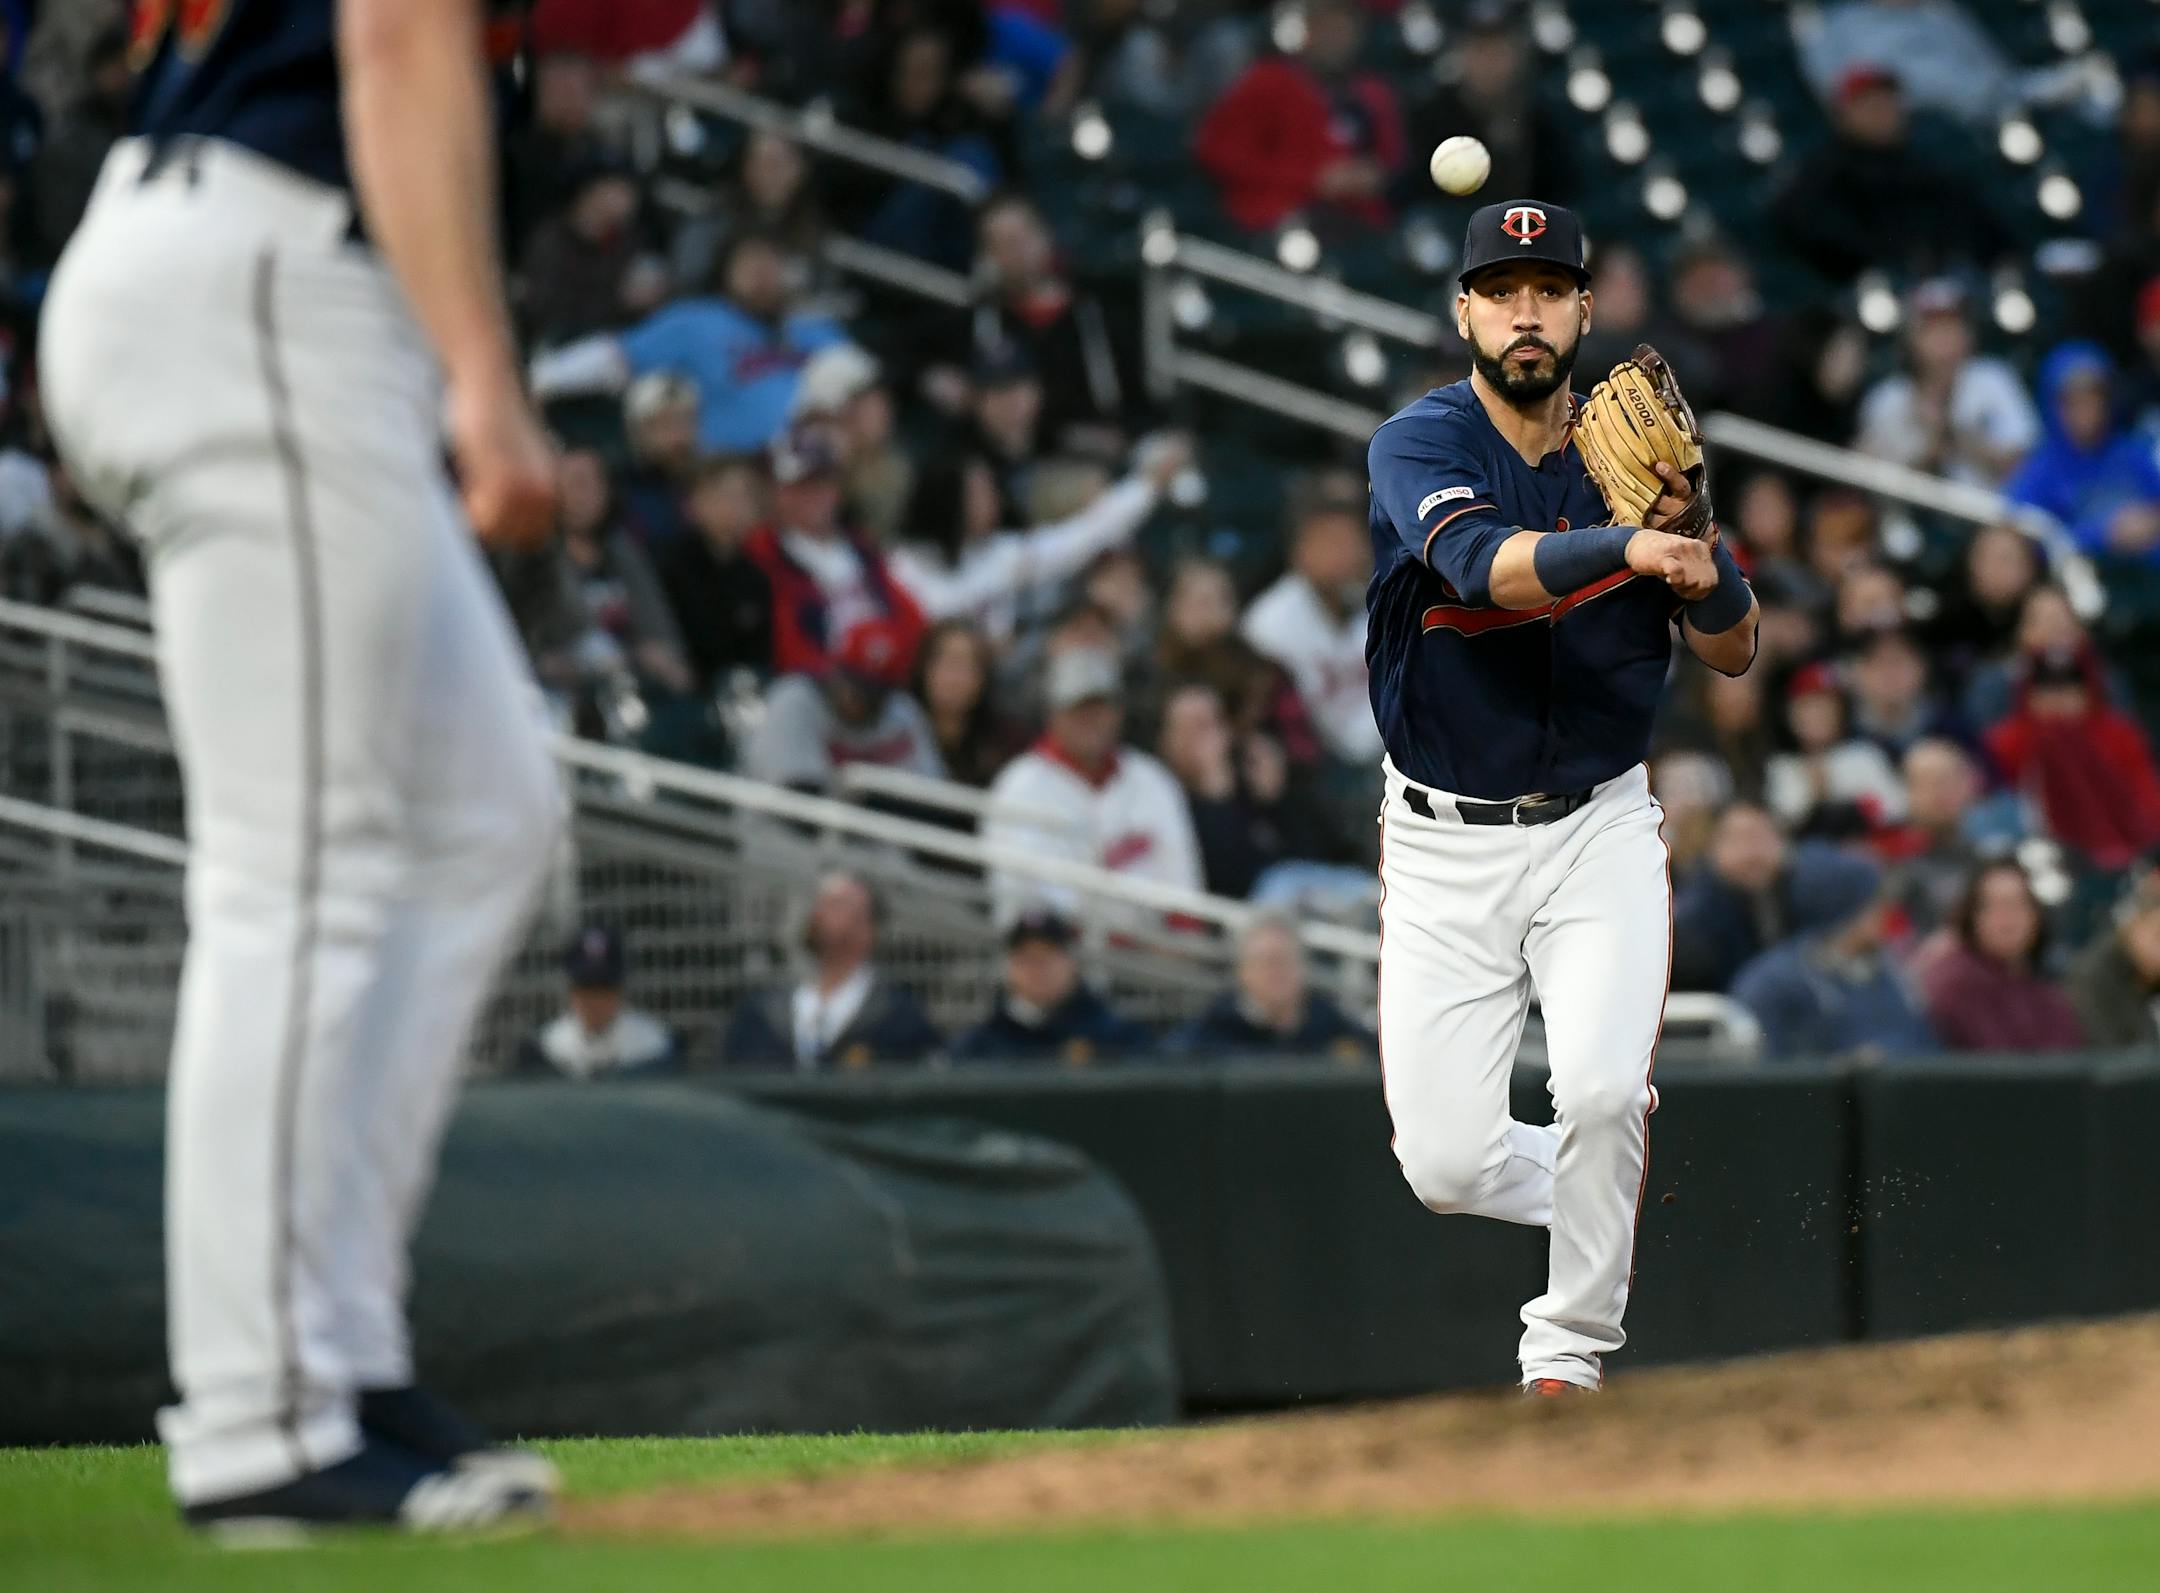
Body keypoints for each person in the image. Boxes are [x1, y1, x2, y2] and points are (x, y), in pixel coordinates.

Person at [39, 0, 567, 1532]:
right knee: (303, 869)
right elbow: (396, 33)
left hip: (259, 267)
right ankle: (261, 1413)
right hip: (272, 276)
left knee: (485, 815)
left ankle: (337, 1350)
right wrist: (484, 375)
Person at [1362, 201, 1758, 1395]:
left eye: (1547, 290)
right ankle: (1607, 1186)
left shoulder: (1632, 458)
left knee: (1599, 1091)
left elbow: (1735, 652)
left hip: (1598, 828)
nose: (1524, 314)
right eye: (1501, 292)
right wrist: (1630, 549)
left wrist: (1696, 544)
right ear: (1464, 314)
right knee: (1445, 1167)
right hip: (1443, 841)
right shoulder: (1419, 443)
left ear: (1587, 308)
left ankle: (1567, 1355)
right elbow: (1481, 567)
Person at [528, 228, 848, 452]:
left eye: (770, 263)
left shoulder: (811, 328)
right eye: (749, 263)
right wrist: (542, 379)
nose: (760, 275)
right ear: (727, 271)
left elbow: (860, 385)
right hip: (728, 469)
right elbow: (614, 357)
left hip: (816, 468)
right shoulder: (696, 320)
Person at [981, 647, 1205, 930]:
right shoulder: (1018, 786)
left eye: (1100, 708)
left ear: (1118, 712)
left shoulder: (1152, 779)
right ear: (1053, 714)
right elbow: (1022, 908)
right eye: (1079, 708)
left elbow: (1184, 895)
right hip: (1059, 949)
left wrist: (1177, 941)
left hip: (1151, 950)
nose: (1090, 720)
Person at [889, 436, 1181, 646]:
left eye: (990, 488)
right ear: (947, 499)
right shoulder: (903, 564)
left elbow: (1082, 536)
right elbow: (931, 614)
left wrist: (1146, 486)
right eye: (978, 492)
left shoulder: (1003, 555)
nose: (993, 499)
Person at [1767, 65, 2010, 284]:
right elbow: (1806, 230)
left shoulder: (1931, 164)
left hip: (1952, 286)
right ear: (1842, 115)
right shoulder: (1824, 172)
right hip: (1875, 292)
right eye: (1868, 104)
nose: (1882, 112)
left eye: (1887, 101)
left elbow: (1983, 231)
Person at [1191, 0, 1405, 233]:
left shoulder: (1373, 94)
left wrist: (1371, 176)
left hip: (1358, 225)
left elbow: (1392, 163)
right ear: (1307, 28)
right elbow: (1216, 152)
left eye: (1346, 27)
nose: (1338, 38)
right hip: (1277, 225)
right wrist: (1311, 178)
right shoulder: (1268, 81)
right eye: (1329, 26)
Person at [741, 422, 927, 678]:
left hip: (887, 673)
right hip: (820, 683)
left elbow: (909, 616)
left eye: (823, 483)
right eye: (802, 486)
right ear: (779, 493)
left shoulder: (860, 548)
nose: (816, 495)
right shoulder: (765, 555)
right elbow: (787, 646)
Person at [720, 871, 942, 1070]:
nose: (818, 914)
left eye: (836, 905)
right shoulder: (761, 1014)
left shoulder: (898, 1018)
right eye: (819, 903)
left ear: (867, 929)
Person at [1729, 854, 1939, 1060]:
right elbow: (1768, 1065)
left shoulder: (1891, 968)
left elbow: (1926, 1045)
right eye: (1873, 902)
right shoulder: (1772, 982)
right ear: (1843, 909)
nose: (1884, 911)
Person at [1241, 470, 1383, 767]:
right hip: (1315, 768)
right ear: (1299, 551)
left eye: (1353, 540)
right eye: (1333, 542)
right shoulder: (1269, 625)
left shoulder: (1374, 597)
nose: (1348, 553)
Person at [1984, 646, 2160, 871]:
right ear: (2028, 695)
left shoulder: (2120, 733)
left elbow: (2146, 796)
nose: (2058, 699)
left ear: (2089, 692)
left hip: (2123, 853)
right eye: (2047, 690)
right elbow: (1995, 805)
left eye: (2069, 689)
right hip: (2037, 853)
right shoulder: (2006, 740)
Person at [1855, 279, 2040, 489]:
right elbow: (1870, 484)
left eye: (1953, 327)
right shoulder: (1887, 398)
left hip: (1988, 505)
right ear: (1911, 339)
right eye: (1934, 330)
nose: (1946, 340)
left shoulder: (1993, 378)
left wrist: (1953, 433)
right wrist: (1932, 447)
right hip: (1912, 508)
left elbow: (2025, 468)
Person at [743, 617, 946, 792]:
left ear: (889, 692)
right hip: (777, 826)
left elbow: (932, 795)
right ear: (835, 669)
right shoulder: (794, 699)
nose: (854, 697)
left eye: (869, 689)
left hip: (867, 825)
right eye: (852, 681)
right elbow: (797, 800)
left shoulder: (902, 713)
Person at [2004, 342, 2160, 564]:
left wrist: (2150, 521)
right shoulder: (2042, 469)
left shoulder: (2134, 452)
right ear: (2053, 405)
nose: (2085, 410)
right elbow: (2021, 537)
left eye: (2093, 397)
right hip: (2084, 575)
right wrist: (2103, 534)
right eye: (2072, 401)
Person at [1919, 860, 2085, 1052]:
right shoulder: (1957, 982)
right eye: (1992, 905)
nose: (2007, 917)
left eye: (2017, 904)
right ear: (1971, 915)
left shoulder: (2045, 986)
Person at [951, 908, 1153, 1065]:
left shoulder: (1117, 1036)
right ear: (1010, 967)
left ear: (1070, 962)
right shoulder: (981, 1043)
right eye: (1027, 958)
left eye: (1048, 957)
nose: (1037, 969)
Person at [1165, 912, 1373, 1062]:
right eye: (1266, 962)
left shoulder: (1333, 1028)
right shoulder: (1207, 1038)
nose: (1276, 972)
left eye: (1285, 960)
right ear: (1242, 971)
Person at [656, 454, 776, 696]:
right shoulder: (669, 567)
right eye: (728, 495)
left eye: (746, 496)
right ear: (696, 502)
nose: (739, 506)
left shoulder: (757, 574)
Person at [513, 925, 681, 1080]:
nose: (595, 1000)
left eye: (604, 987)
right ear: (572, 990)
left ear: (620, 990)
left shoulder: (653, 1045)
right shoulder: (548, 1047)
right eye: (587, 988)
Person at [1766, 661, 1906, 838]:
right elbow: (1780, 824)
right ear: (1791, 716)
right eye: (1808, 707)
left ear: (1841, 712)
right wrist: (1817, 795)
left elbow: (1895, 809)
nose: (1818, 715)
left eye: (1827, 707)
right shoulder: (1782, 767)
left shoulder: (1865, 756)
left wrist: (1854, 807)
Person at [913, 618, 1024, 790]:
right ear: (924, 666)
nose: (956, 678)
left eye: (968, 666)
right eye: (949, 662)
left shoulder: (1007, 744)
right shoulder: (896, 728)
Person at [2067, 864, 2160, 1047]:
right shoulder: (2091, 980)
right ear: (2133, 926)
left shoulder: (2147, 975)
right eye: (2158, 936)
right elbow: (2110, 1056)